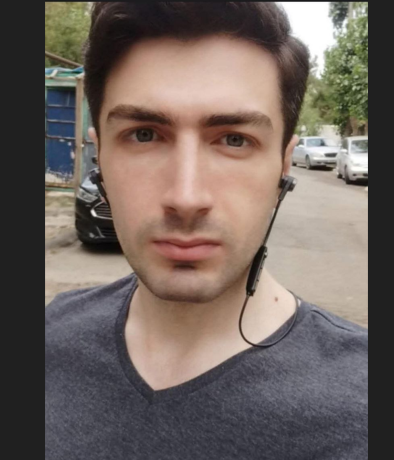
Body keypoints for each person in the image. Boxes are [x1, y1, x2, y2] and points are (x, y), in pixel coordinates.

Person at [46, 3, 368, 459]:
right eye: (144, 134)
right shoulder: (52, 336)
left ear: (283, 166)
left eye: (234, 139)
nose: (186, 197)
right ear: (101, 158)